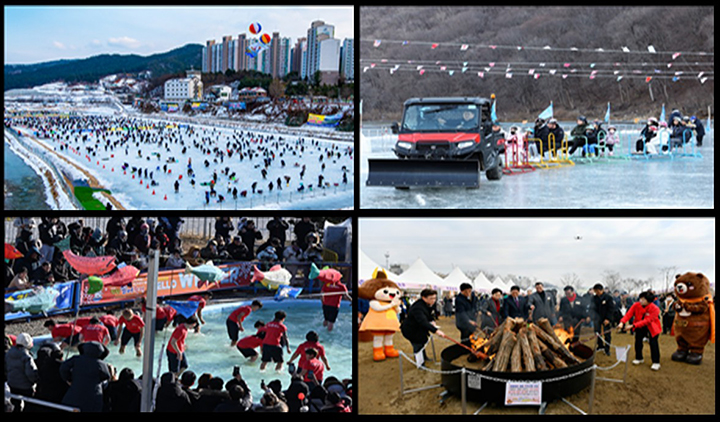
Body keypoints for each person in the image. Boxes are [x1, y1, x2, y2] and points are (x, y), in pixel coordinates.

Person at [59, 341, 112, 412]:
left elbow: (63, 368)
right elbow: (107, 376)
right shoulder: (101, 364)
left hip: (73, 396)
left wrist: (69, 379)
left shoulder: (76, 359)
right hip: (93, 398)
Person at [618, 291, 662, 371]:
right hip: (639, 326)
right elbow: (628, 314)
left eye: (643, 299)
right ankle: (639, 358)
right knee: (638, 342)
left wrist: (633, 326)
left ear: (649, 301)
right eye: (640, 298)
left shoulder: (655, 309)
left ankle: (656, 362)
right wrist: (622, 322)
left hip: (651, 327)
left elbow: (647, 320)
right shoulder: (636, 305)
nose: (640, 300)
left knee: (653, 343)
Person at [400, 289, 444, 367]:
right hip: (411, 330)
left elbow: (429, 314)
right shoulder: (418, 307)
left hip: (420, 329)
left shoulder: (428, 304)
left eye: (434, 298)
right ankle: (420, 363)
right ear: (424, 298)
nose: (433, 300)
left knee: (422, 342)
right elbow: (423, 321)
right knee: (418, 345)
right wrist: (436, 331)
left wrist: (432, 320)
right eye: (431, 298)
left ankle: (424, 357)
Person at [5, 333, 39, 412]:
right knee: (29, 405)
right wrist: (36, 381)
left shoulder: (8, 354)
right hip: (25, 387)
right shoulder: (27, 357)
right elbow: (31, 373)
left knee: (15, 404)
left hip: (12, 384)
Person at [589, 283, 615, 356]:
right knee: (597, 333)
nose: (597, 293)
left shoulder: (608, 297)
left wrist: (608, 319)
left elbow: (611, 309)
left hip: (606, 318)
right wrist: (592, 316)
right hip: (597, 318)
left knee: (607, 334)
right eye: (595, 291)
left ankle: (607, 349)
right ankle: (600, 345)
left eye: (598, 291)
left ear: (602, 290)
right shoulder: (594, 298)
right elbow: (592, 308)